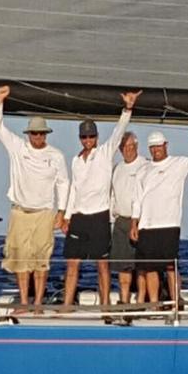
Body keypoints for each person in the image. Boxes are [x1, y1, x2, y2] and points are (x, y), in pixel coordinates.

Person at [61, 91, 141, 310]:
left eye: (91, 136)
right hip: (78, 217)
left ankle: (105, 307)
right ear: (80, 138)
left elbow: (118, 132)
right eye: (84, 137)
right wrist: (66, 216)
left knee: (103, 266)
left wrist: (127, 109)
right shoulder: (76, 160)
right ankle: (66, 307)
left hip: (99, 217)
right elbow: (73, 189)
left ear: (96, 137)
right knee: (72, 265)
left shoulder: (105, 152)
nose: (88, 141)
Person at [0, 85, 69, 310]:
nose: (37, 137)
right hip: (20, 211)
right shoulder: (18, 147)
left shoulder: (56, 155)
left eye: (41, 133)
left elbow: (63, 183)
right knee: (20, 260)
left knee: (41, 260)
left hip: (44, 213)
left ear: (46, 134)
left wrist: (62, 212)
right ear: (29, 134)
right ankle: (24, 301)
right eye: (34, 133)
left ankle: (37, 302)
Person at [130, 128, 188, 304]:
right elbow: (137, 200)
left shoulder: (179, 163)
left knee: (170, 266)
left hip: (169, 224)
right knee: (150, 268)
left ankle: (175, 302)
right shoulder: (143, 170)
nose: (156, 149)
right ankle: (153, 305)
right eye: (152, 147)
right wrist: (134, 224)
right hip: (146, 225)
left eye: (159, 146)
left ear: (166, 145)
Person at [109, 131, 148, 304]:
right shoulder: (117, 168)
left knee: (140, 266)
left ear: (137, 147)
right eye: (124, 147)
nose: (128, 150)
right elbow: (113, 196)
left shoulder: (145, 165)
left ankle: (140, 300)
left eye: (131, 146)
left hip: (141, 221)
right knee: (122, 267)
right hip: (121, 221)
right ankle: (124, 300)